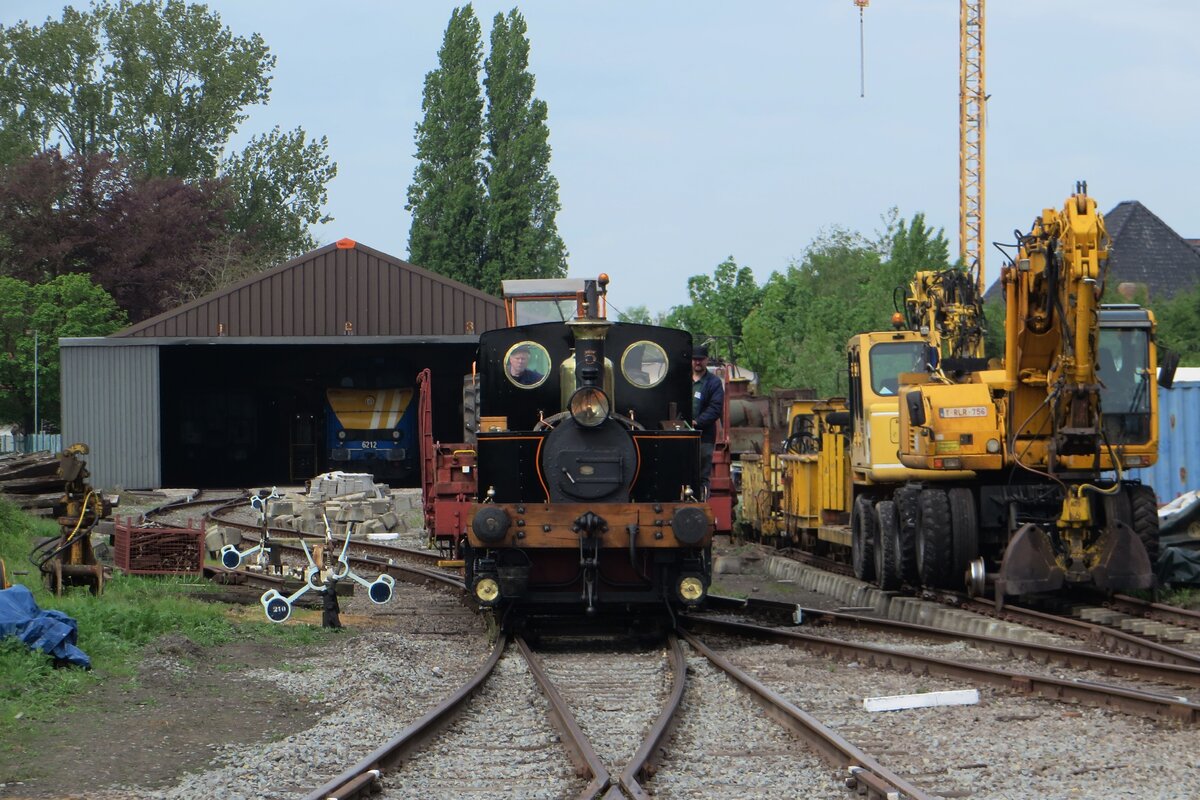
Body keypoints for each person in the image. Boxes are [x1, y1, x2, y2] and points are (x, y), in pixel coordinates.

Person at [691, 344, 724, 498]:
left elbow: (715, 408)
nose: (698, 362)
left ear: (706, 360)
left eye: (701, 359)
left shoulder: (714, 383)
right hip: (682, 435)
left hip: (704, 436)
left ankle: (702, 503)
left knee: (702, 474)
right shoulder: (682, 380)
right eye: (695, 359)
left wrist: (697, 422)